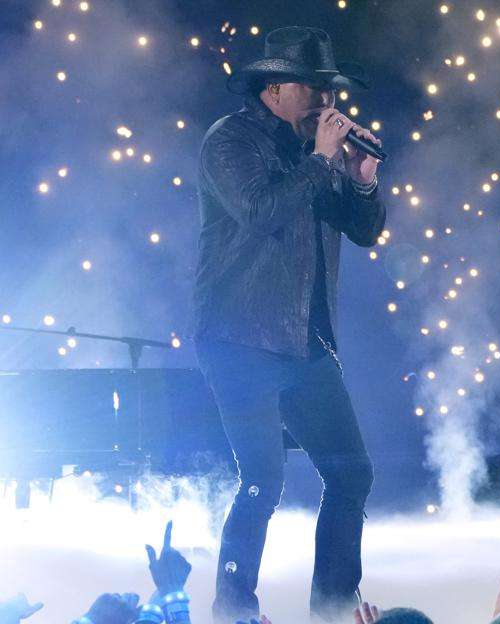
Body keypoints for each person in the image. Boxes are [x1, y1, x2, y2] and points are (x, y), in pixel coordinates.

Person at [193, 26, 385, 622]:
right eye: (316, 91)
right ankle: (233, 607)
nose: (328, 105)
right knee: (262, 478)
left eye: (332, 94)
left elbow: (363, 231)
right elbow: (258, 211)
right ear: (275, 89)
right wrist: (321, 159)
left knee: (351, 472)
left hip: (306, 343)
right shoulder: (231, 141)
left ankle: (331, 605)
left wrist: (362, 182)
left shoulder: (315, 155)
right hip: (240, 338)